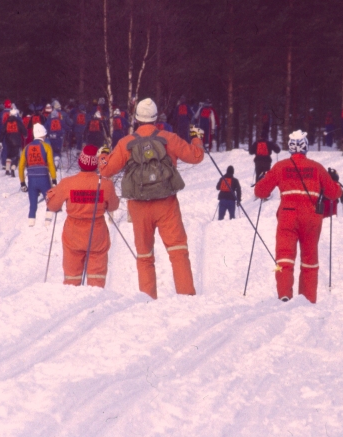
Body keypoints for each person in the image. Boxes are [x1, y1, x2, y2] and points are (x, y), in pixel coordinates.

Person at [98, 98, 204, 299]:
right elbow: (196, 156)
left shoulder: (126, 143)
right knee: (178, 250)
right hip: (166, 204)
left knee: (145, 256)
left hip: (139, 206)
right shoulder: (168, 138)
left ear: (136, 118)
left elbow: (106, 170)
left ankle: (147, 299)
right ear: (156, 118)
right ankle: (187, 296)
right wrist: (196, 138)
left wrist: (103, 154)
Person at [253, 130, 343, 303]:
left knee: (284, 257)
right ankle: (308, 299)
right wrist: (335, 181)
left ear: (290, 148)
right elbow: (333, 193)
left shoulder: (280, 167)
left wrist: (263, 179)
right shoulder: (317, 167)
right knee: (310, 259)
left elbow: (260, 191)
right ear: (305, 147)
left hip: (287, 215)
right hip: (311, 218)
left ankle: (284, 295)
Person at [46, 145, 119, 288]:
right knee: (97, 276)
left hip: (73, 233)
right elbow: (113, 206)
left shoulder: (68, 183)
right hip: (97, 233)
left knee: (72, 276)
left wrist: (50, 195)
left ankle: (72, 301)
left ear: (81, 162)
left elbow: (53, 206)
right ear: (96, 164)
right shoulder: (105, 184)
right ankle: (95, 301)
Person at [19, 123, 58, 226]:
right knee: (50, 202)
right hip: (44, 178)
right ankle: (47, 224)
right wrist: (54, 179)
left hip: (31, 180)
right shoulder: (46, 146)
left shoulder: (26, 147)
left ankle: (31, 225)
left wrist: (22, 183)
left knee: (32, 205)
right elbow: (50, 164)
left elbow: (21, 166)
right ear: (43, 135)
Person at [3, 108, 27, 177]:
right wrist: (25, 134)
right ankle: (13, 168)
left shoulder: (7, 122)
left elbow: (2, 131)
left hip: (8, 140)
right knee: (16, 156)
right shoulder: (18, 122)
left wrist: (0, 140)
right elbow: (23, 129)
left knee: (9, 155)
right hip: (16, 141)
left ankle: (7, 169)